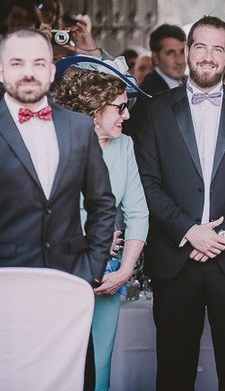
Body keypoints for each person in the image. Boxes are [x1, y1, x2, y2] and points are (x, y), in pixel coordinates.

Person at [134, 15, 225, 390]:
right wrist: (188, 230)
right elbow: (146, 183)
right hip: (175, 259)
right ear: (187, 52)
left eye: (218, 49)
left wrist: (223, 233)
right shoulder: (153, 109)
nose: (208, 56)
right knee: (174, 370)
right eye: (201, 46)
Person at [0, 28, 116, 389]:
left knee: (74, 381)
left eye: (38, 63)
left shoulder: (79, 127)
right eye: (17, 63)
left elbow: (102, 203)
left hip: (69, 285)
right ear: (1, 72)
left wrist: (89, 269)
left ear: (51, 71)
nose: (28, 72)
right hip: (3, 292)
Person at [52, 69, 148, 391]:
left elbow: (137, 212)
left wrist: (124, 270)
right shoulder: (56, 143)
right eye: (119, 107)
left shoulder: (125, 146)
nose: (127, 114)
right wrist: (91, 244)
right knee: (59, 363)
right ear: (94, 108)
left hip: (105, 277)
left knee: (100, 364)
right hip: (60, 273)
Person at [140, 23, 187, 95]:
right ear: (156, 57)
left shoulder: (190, 84)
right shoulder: (148, 95)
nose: (180, 61)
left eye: (182, 52)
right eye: (170, 53)